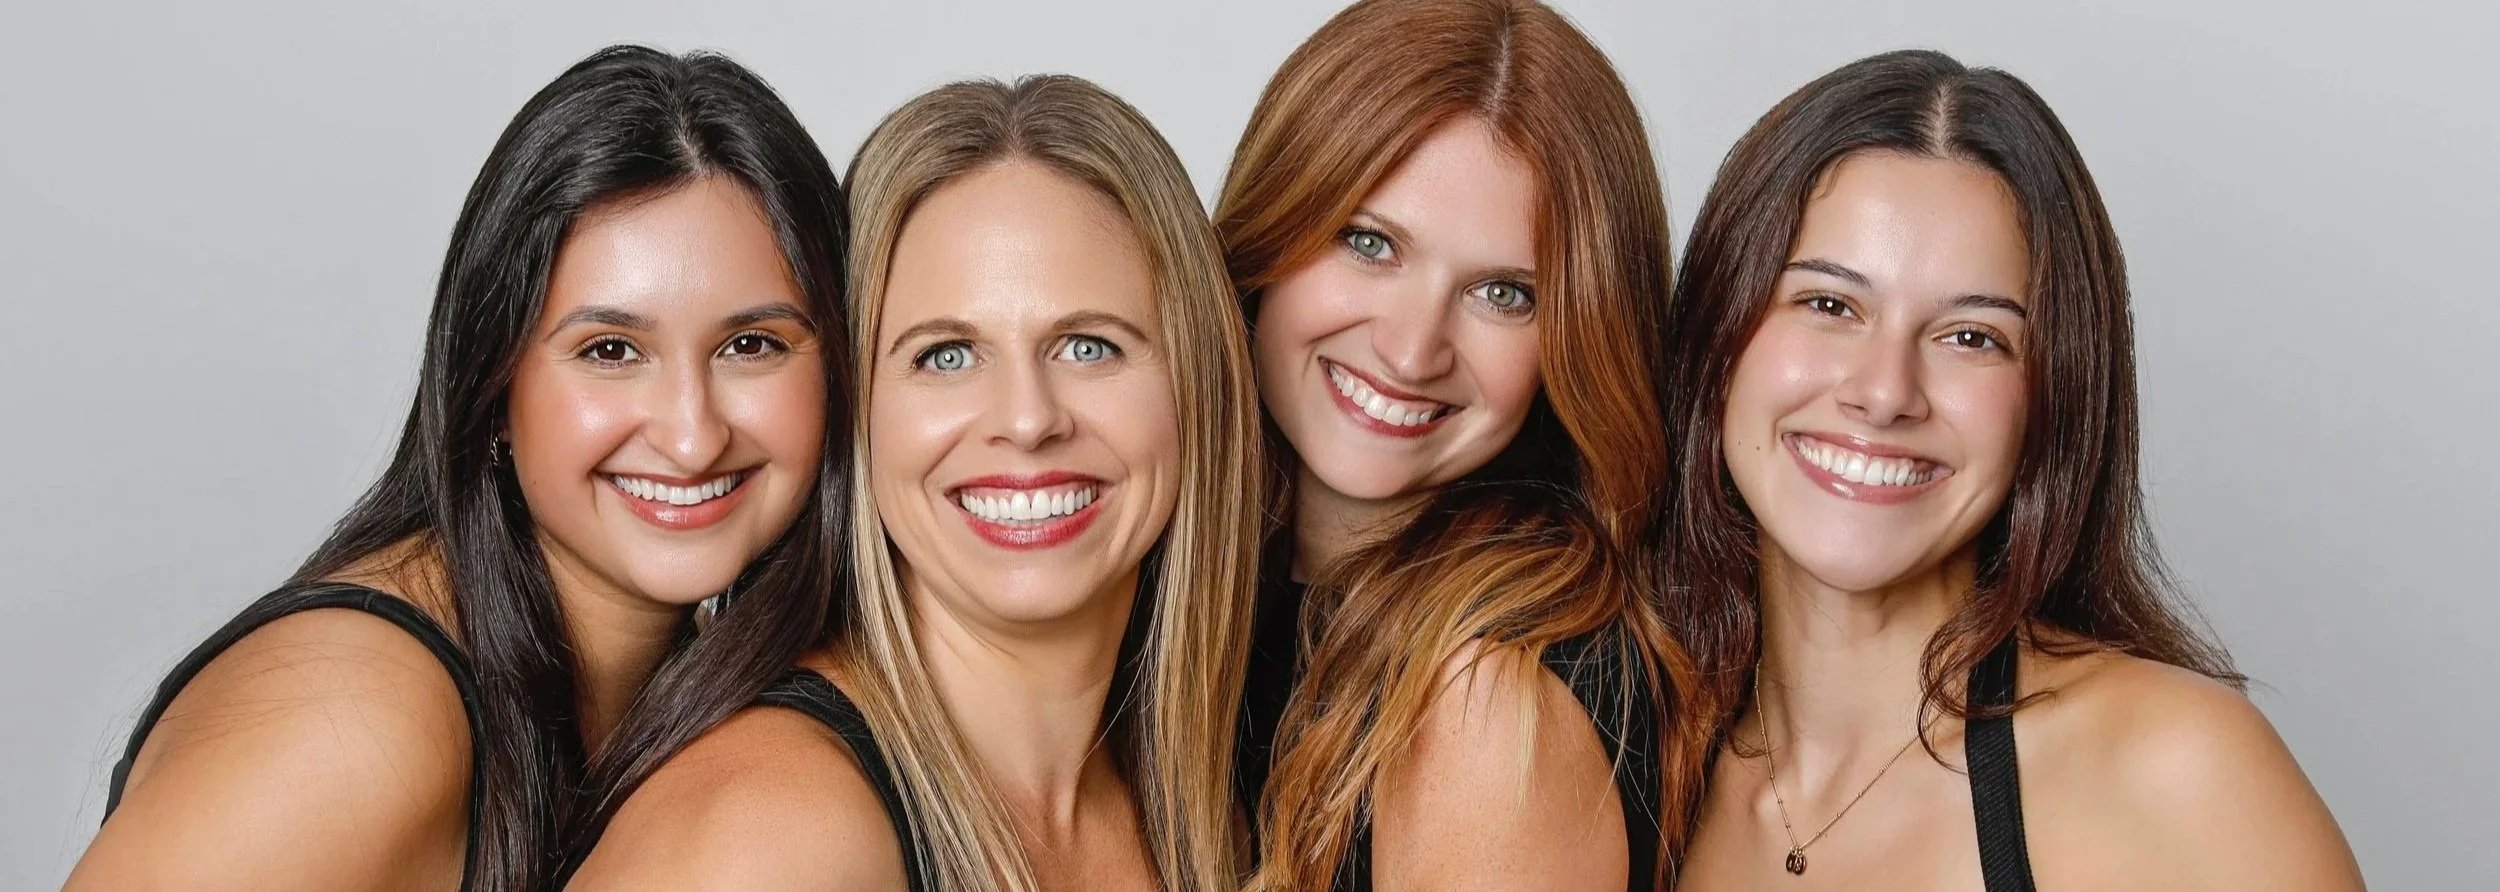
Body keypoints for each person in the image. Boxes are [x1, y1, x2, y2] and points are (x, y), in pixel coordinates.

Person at [69, 45, 848, 892]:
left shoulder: (699, 692)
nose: (694, 436)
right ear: (493, 381)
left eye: (751, 345)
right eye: (611, 350)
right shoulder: (353, 720)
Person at [1662, 49, 2363, 890]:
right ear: (1717, 340)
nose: (1886, 393)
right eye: (1829, 305)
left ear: (2050, 401)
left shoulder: (2175, 774)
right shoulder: (1636, 774)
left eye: (1972, 337)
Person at [567, 74, 1259, 891]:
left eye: (1089, 346)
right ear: (854, 411)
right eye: (946, 356)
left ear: (1198, 386)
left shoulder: (1199, 813)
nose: (1028, 419)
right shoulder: (767, 833)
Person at [1224, 1, 1698, 888]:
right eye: (1369, 244)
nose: (1411, 350)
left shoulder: (1493, 703)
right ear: (1269, 231)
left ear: (1575, 343)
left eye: (1503, 295)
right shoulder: (1197, 603)